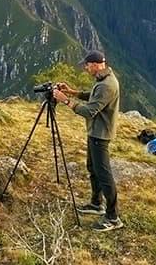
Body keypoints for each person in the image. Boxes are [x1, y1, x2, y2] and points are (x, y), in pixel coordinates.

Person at [52, 50, 123, 232]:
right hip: (95, 132)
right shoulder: (103, 80)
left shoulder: (106, 85)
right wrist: (72, 92)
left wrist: (66, 100)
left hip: (101, 135)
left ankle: (113, 217)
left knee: (104, 174)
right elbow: (93, 96)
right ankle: (96, 203)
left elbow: (89, 111)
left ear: (96, 64)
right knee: (93, 168)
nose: (85, 68)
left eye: (87, 65)